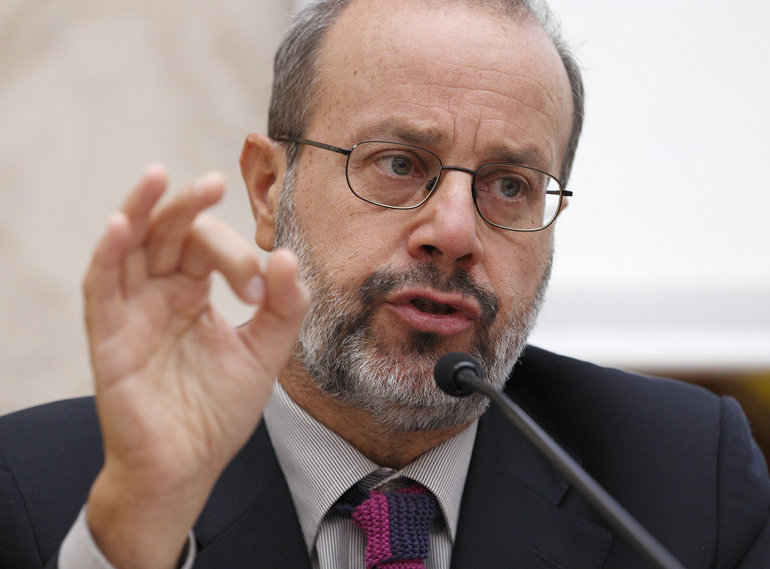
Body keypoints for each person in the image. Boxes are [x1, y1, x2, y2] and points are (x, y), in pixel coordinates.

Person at [1, 0, 768, 568]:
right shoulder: (43, 491)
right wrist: (141, 524)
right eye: (399, 164)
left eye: (510, 184)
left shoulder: (685, 481)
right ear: (271, 190)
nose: (457, 232)